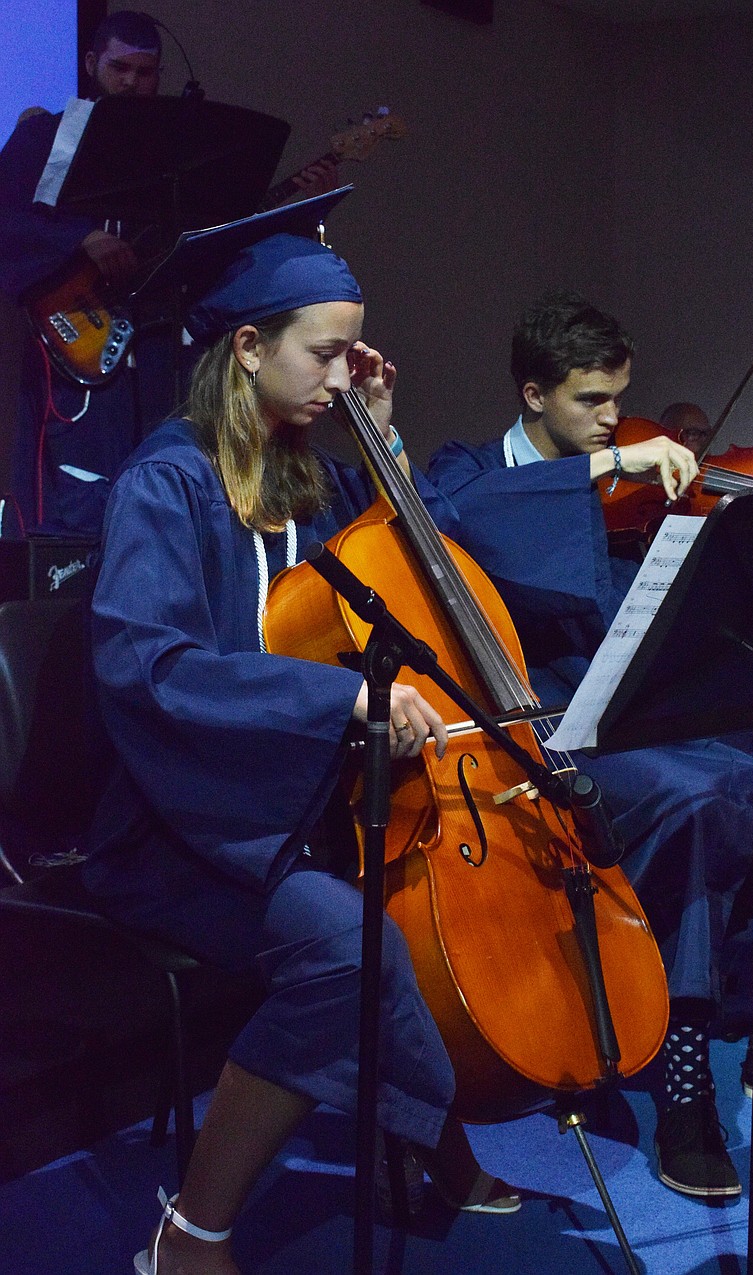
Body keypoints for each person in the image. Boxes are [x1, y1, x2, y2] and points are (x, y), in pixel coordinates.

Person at [82, 212, 520, 1275]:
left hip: (306, 801)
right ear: (247, 346)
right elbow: (149, 667)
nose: (340, 376)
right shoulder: (169, 481)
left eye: (351, 355)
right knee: (347, 945)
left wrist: (381, 435)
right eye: (324, 354)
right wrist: (343, 702)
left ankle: (417, 1135)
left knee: (410, 914)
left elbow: (424, 567)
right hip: (180, 824)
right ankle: (190, 1233)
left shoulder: (312, 474)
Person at [427, 289, 753, 1200]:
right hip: (547, 729)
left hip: (648, 712)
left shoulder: (627, 492)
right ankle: (684, 1089)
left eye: (619, 401)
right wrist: (610, 462)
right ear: (534, 394)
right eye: (591, 401)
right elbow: (452, 511)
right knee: (703, 805)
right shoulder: (468, 469)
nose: (612, 419)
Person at [0, 10, 338, 538]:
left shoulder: (183, 156)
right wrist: (81, 238)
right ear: (90, 64)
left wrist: (302, 209)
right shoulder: (45, 135)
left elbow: (218, 243)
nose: (132, 83)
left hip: (161, 346)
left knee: (162, 478)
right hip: (79, 338)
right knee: (77, 488)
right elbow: (5, 219)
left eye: (145, 72)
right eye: (119, 69)